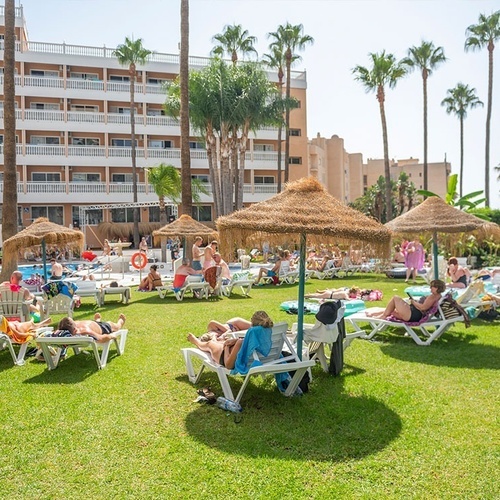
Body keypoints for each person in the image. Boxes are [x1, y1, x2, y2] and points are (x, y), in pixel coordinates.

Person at [187, 310, 273, 369]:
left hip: (226, 355)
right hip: (252, 357)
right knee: (215, 342)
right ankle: (210, 340)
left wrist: (227, 347)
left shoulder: (241, 342)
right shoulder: (268, 344)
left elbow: (228, 365)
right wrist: (233, 341)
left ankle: (195, 341)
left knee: (209, 344)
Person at [366, 279, 446, 321]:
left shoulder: (433, 297)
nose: (430, 288)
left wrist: (413, 302)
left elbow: (423, 308)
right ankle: (375, 315)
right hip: (414, 313)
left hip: (414, 314)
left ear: (437, 288)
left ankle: (382, 317)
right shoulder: (438, 296)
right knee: (392, 310)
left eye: (432, 286)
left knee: (395, 298)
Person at [56, 313, 126, 343]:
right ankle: (120, 322)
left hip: (92, 324)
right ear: (75, 330)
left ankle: (97, 320)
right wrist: (111, 336)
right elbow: (101, 338)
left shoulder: (60, 332)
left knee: (94, 323)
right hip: (102, 327)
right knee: (114, 326)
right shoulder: (85, 331)